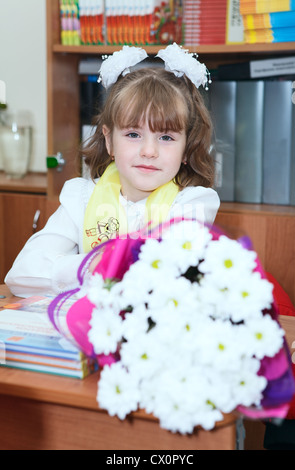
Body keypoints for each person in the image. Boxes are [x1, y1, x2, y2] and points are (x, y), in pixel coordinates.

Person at [5, 43, 220, 298]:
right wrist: (93, 266)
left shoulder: (192, 203)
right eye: (133, 134)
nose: (149, 151)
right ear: (109, 140)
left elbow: (169, 278)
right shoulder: (82, 197)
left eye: (166, 137)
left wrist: (93, 266)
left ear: (187, 148)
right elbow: (21, 275)